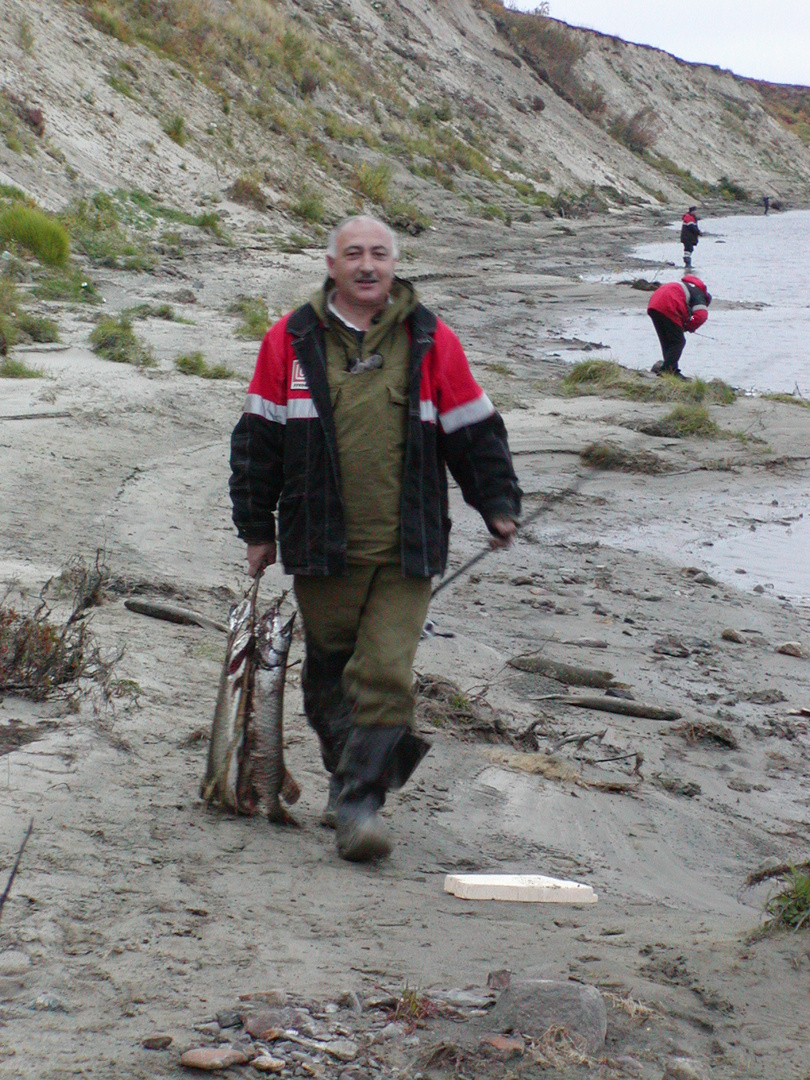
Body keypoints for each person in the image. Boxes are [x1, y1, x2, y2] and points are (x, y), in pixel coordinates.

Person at [229, 215, 521, 863]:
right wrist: (256, 529)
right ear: (331, 264)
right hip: (319, 545)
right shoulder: (292, 338)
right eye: (354, 254)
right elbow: (258, 439)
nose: (367, 265)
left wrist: (497, 504)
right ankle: (346, 773)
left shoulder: (429, 338)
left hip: (406, 550)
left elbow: (474, 430)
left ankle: (361, 802)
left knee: (385, 671)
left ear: (395, 263)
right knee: (330, 674)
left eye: (379, 254)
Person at [647, 274, 711, 379]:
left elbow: (684, 309)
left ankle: (671, 369)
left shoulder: (687, 287)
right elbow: (699, 316)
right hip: (668, 305)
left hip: (654, 305)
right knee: (678, 342)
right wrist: (689, 326)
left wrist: (684, 324)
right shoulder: (700, 296)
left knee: (667, 340)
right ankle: (668, 370)